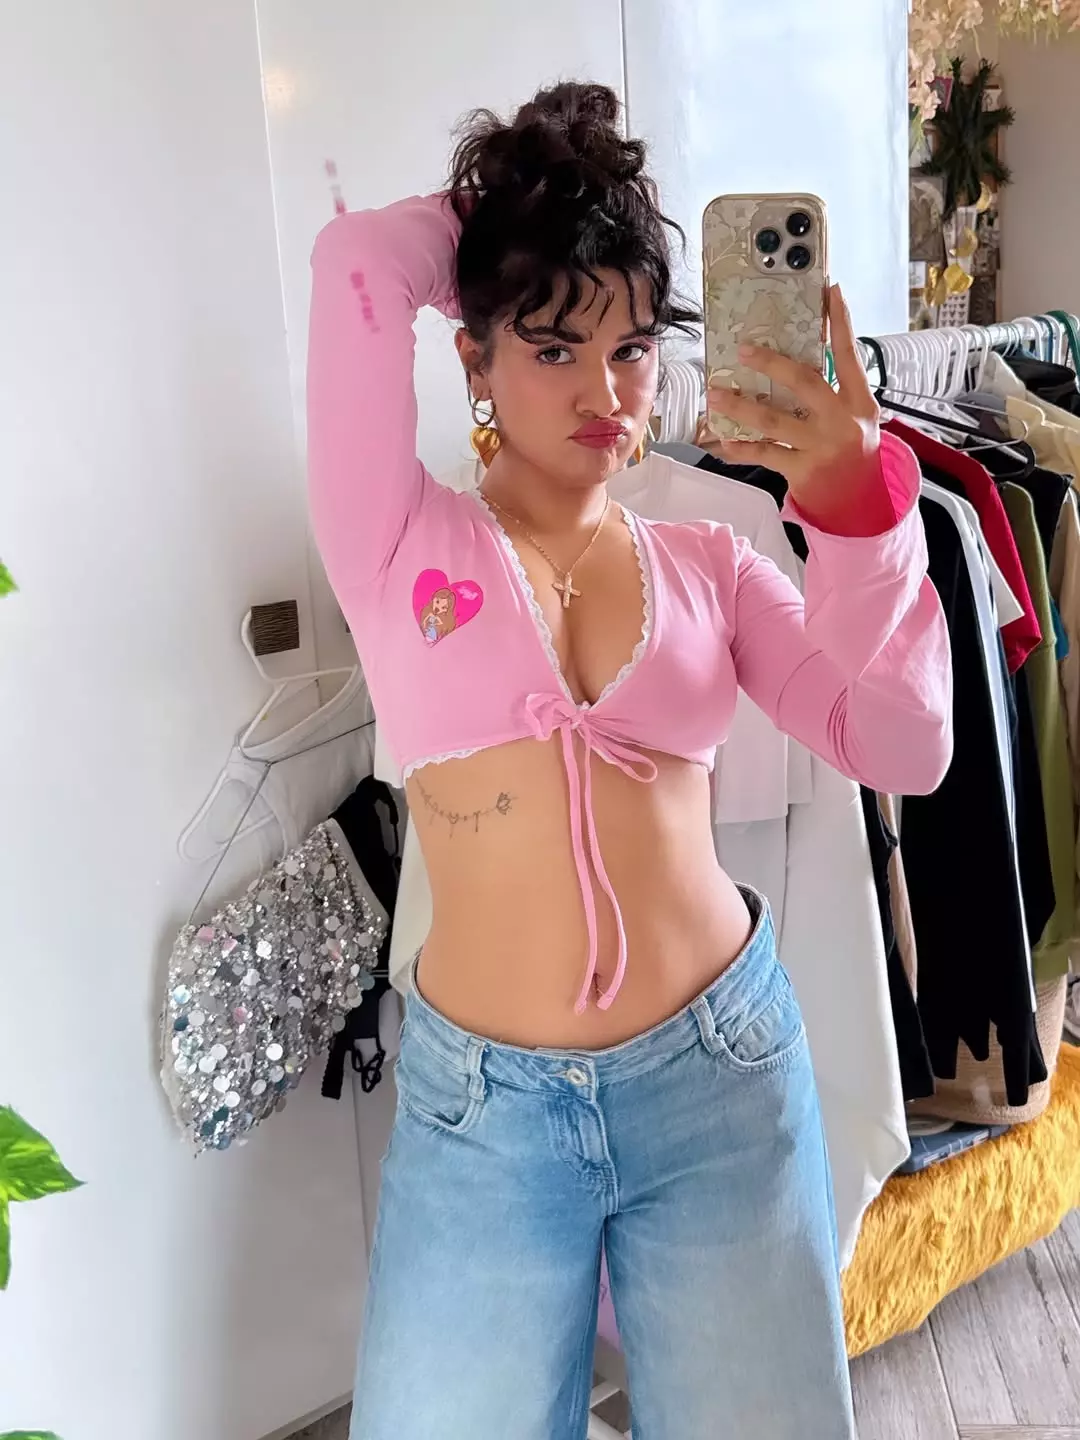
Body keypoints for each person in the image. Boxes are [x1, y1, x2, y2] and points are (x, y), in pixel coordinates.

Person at [307, 81, 952, 1440]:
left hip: (718, 1080)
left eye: (633, 347)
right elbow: (358, 259)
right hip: (483, 1120)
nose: (605, 393)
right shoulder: (395, 543)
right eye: (553, 346)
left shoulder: (715, 564)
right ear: (474, 357)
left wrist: (863, 519)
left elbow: (904, 742)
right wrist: (541, 203)